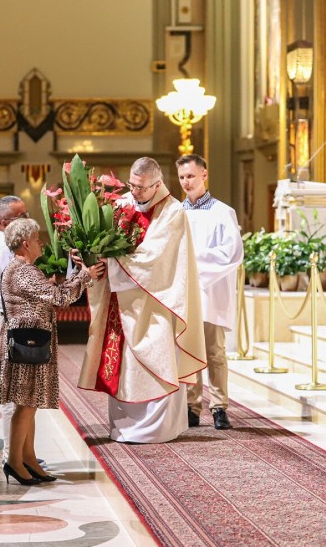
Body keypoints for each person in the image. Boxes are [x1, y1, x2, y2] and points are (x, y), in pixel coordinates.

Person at [78, 157, 207, 444]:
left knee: (156, 362)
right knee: (121, 363)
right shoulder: (122, 203)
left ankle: (156, 429)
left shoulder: (173, 212)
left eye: (140, 187)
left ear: (157, 184)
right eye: (131, 185)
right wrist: (91, 257)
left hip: (156, 301)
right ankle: (124, 425)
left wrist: (111, 262)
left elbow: (155, 260)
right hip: (121, 302)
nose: (133, 192)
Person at [0, 218, 104, 484]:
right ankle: (14, 462)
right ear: (26, 243)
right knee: (26, 404)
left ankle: (28, 458)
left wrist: (77, 273)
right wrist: (86, 276)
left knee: (28, 403)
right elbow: (59, 298)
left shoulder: (21, 268)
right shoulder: (23, 271)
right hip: (27, 344)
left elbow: (53, 292)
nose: (41, 243)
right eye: (38, 239)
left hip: (29, 341)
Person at [176, 154, 244, 430]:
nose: (186, 182)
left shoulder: (222, 212)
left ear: (204, 175)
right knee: (188, 350)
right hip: (184, 292)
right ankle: (192, 406)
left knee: (215, 352)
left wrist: (195, 261)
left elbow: (231, 253)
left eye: (190, 176)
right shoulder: (175, 213)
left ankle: (219, 407)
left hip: (212, 290)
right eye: (181, 177)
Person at [0, 195, 28, 464]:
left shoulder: (6, 245)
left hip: (7, 320)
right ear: (4, 222)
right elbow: (21, 289)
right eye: (21, 216)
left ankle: (22, 455)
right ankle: (12, 458)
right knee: (13, 395)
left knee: (21, 394)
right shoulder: (3, 249)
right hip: (5, 323)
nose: (27, 219)